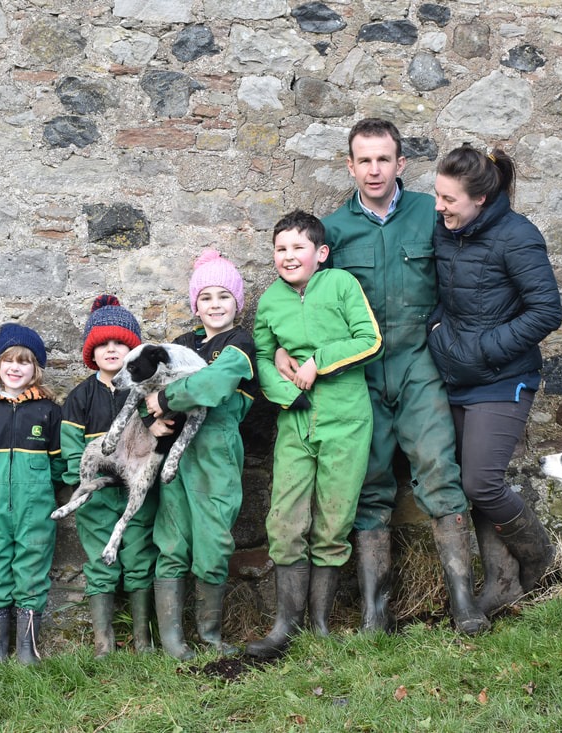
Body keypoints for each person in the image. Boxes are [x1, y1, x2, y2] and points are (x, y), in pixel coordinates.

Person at [302, 118, 487, 634]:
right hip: (358, 373)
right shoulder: (333, 231)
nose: (374, 169)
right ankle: (374, 613)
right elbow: (312, 303)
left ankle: (464, 604)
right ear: (350, 165)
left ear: (401, 164)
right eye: (364, 159)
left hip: (418, 363)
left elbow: (471, 271)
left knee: (439, 469)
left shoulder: (431, 215)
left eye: (384, 159)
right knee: (368, 482)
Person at [429, 145, 561, 616]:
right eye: (438, 195)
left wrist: (482, 349)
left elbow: (547, 311)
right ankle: (502, 583)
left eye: (449, 199)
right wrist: (438, 333)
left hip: (502, 379)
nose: (439, 206)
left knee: (482, 482)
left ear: (480, 199)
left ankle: (542, 561)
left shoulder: (517, 236)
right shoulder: (447, 229)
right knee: (472, 483)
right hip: (454, 373)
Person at [246, 210, 382, 658]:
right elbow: (263, 358)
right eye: (281, 249)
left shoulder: (341, 285)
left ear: (320, 254)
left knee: (334, 521)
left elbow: (369, 339)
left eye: (298, 248)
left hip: (346, 417)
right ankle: (286, 624)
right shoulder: (269, 302)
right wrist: (287, 391)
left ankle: (320, 624)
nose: (289, 256)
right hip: (296, 421)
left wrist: (316, 360)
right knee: (285, 520)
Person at [144, 249, 259, 660]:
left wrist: (166, 397)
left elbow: (213, 384)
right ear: (196, 304)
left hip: (216, 449)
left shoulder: (240, 343)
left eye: (223, 296)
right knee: (172, 538)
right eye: (206, 297)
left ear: (237, 302)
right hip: (177, 449)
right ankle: (174, 641)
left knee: (213, 539)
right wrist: (150, 416)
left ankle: (209, 635)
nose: (215, 305)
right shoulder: (182, 344)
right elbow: (149, 388)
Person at [60, 295, 163, 657]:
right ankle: (104, 643)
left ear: (133, 348)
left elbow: (156, 438)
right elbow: (72, 448)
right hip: (96, 499)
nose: (111, 350)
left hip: (137, 494)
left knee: (138, 557)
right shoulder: (80, 397)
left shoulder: (146, 391)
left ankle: (143, 639)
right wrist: (86, 480)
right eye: (102, 344)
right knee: (99, 564)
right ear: (92, 352)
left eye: (120, 342)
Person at [0, 323, 64, 664]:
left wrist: (34, 486)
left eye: (25, 362)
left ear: (36, 370)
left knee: (31, 565)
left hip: (35, 507)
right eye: (9, 360)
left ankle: (26, 649)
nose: (15, 368)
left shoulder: (49, 411)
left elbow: (58, 463)